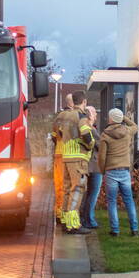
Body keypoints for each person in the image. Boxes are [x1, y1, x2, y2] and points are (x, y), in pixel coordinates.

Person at [55, 91, 96, 234]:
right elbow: (86, 134)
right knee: (77, 189)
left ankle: (66, 221)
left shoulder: (63, 116)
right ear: (83, 102)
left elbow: (57, 133)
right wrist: (91, 145)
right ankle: (73, 225)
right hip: (78, 159)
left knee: (67, 190)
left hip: (65, 157)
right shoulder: (81, 116)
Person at [97, 108, 139, 236]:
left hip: (111, 171)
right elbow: (135, 126)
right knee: (129, 200)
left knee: (112, 201)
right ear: (120, 119)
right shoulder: (127, 131)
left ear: (110, 119)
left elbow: (102, 157)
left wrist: (103, 170)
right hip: (125, 171)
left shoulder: (105, 135)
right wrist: (124, 118)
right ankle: (134, 229)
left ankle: (115, 230)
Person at [50, 93, 75, 226]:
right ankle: (66, 214)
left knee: (59, 185)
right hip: (70, 155)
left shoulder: (58, 118)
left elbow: (54, 137)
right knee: (70, 186)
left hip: (59, 154)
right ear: (73, 103)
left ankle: (59, 213)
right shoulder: (75, 117)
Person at [81, 105, 103, 230]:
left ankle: (86, 218)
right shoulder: (91, 130)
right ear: (89, 116)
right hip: (94, 166)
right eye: (94, 113)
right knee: (93, 194)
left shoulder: (85, 128)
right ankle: (90, 220)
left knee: (88, 194)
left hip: (87, 165)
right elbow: (100, 146)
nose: (96, 116)